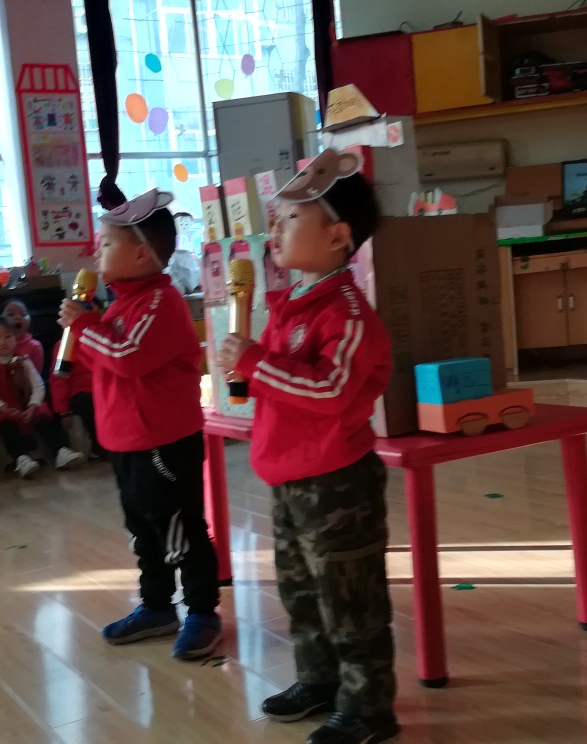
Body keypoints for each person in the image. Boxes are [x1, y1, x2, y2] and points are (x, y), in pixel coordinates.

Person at [217, 149, 397, 744]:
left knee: (350, 597)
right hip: (291, 477)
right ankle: (320, 680)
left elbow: (330, 391)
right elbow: (281, 383)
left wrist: (256, 362)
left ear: (338, 237)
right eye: (276, 218)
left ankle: (368, 708)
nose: (275, 229)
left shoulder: (347, 314)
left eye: (291, 219)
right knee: (301, 592)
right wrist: (249, 367)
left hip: (337, 482)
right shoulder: (292, 305)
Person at [58, 188, 221, 660]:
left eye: (107, 244)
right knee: (143, 531)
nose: (97, 254)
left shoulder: (160, 303)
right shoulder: (118, 305)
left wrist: (85, 326)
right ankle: (156, 607)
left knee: (180, 530)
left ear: (141, 254)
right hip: (126, 441)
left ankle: (202, 612)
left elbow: (128, 357)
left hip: (162, 444)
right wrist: (84, 330)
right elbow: (105, 361)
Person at [0, 318, 85, 479]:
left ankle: (61, 451)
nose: (3, 342)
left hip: (25, 404)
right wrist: (3, 408)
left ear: (15, 338)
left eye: (8, 336)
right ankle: (22, 458)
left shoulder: (24, 360)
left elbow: (38, 385)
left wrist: (33, 405)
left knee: (44, 419)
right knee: (7, 427)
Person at [49, 338, 106, 460]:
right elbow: (59, 382)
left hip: (101, 389)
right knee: (89, 402)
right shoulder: (65, 346)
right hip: (79, 393)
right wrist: (63, 412)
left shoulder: (101, 339)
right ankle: (98, 447)